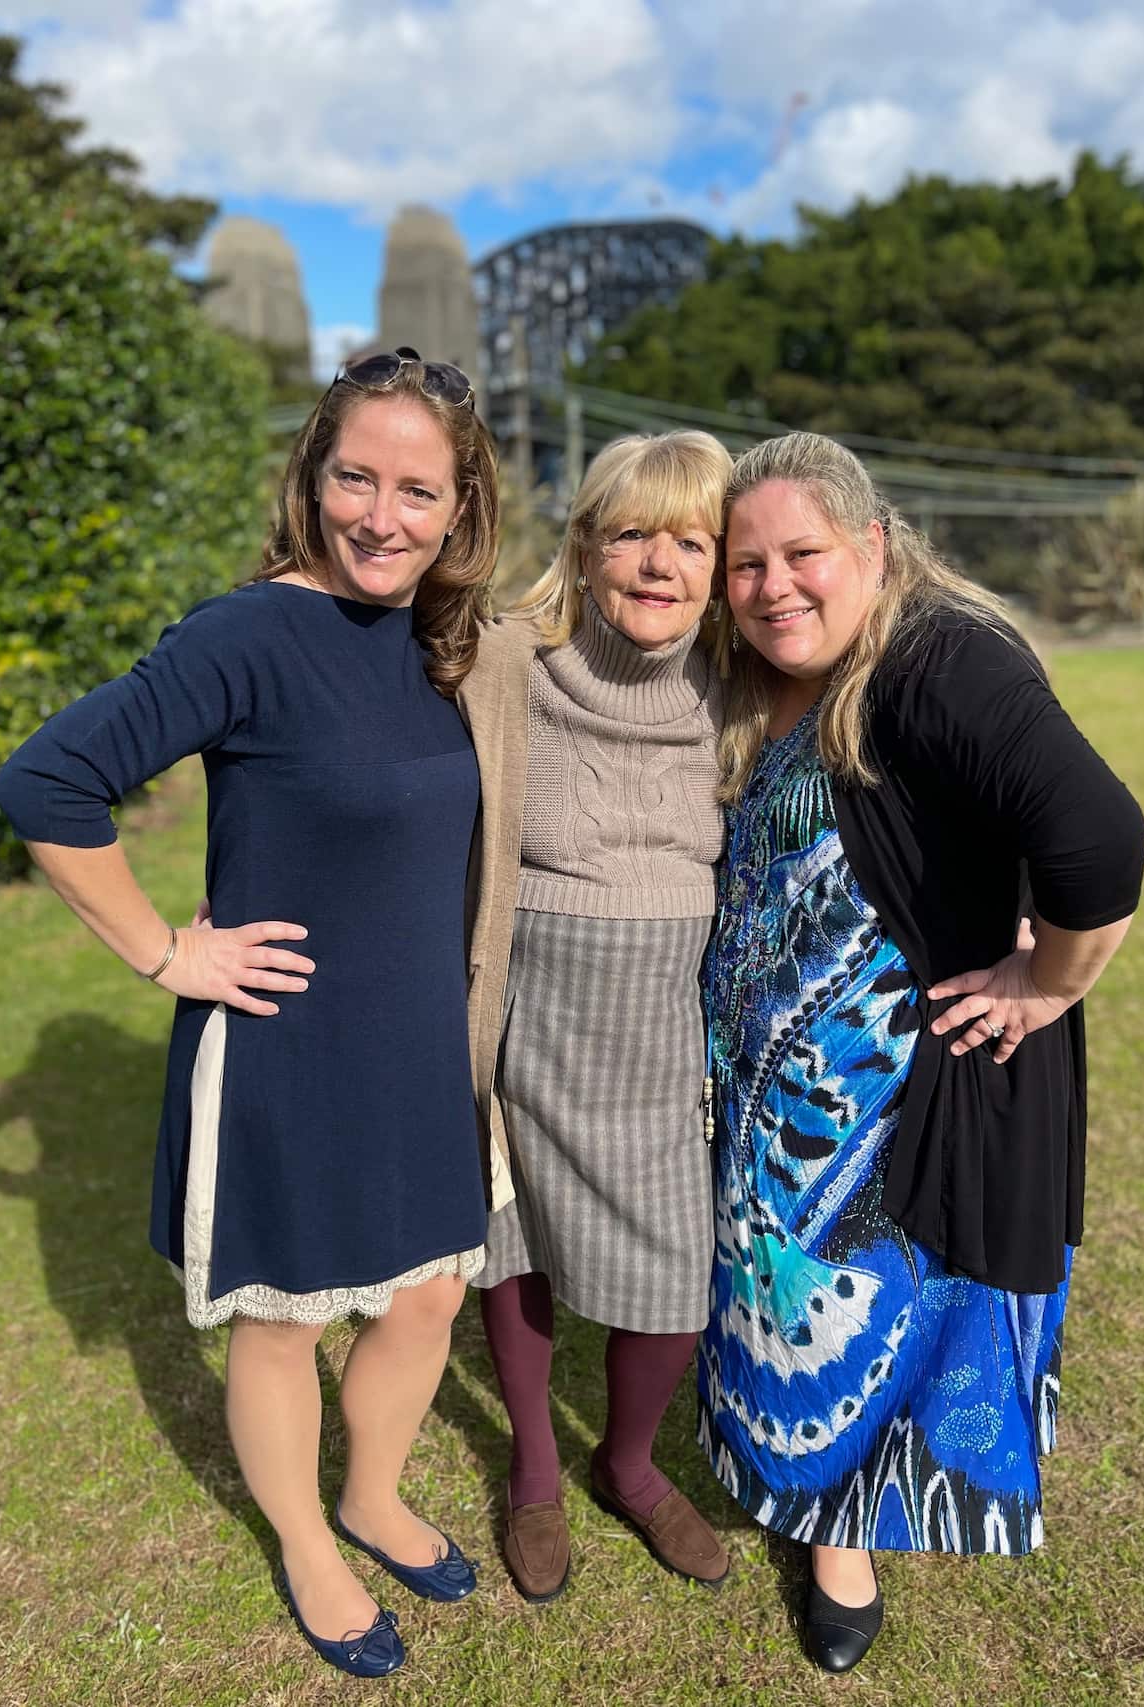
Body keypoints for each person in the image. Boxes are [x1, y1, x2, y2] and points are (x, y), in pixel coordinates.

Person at [0, 349, 501, 1681]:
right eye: (355, 477)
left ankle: (370, 1494)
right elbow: (46, 780)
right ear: (311, 474)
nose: (380, 516)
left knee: (428, 1296)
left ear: (460, 506)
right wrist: (166, 952)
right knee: (285, 1319)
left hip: (415, 1045)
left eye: (417, 490)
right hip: (288, 1040)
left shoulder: (439, 641)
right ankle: (306, 1541)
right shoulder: (245, 634)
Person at [696, 432, 1144, 1673]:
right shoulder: (761, 671)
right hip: (774, 1097)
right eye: (745, 565)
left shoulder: (931, 655)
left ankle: (841, 1539)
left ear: (872, 542)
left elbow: (1096, 835)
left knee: (881, 1309)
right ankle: (773, 1465)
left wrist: (1046, 982)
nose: (773, 586)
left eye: (801, 553)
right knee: (780, 1294)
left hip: (891, 1088)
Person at [460, 430, 734, 1601]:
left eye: (691, 541)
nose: (659, 564)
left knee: (675, 1278)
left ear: (718, 566)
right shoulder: (503, 664)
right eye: (631, 535)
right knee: (512, 1245)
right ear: (583, 547)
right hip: (523, 1022)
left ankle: (626, 1465)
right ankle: (532, 1470)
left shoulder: (741, 685)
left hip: (663, 1043)